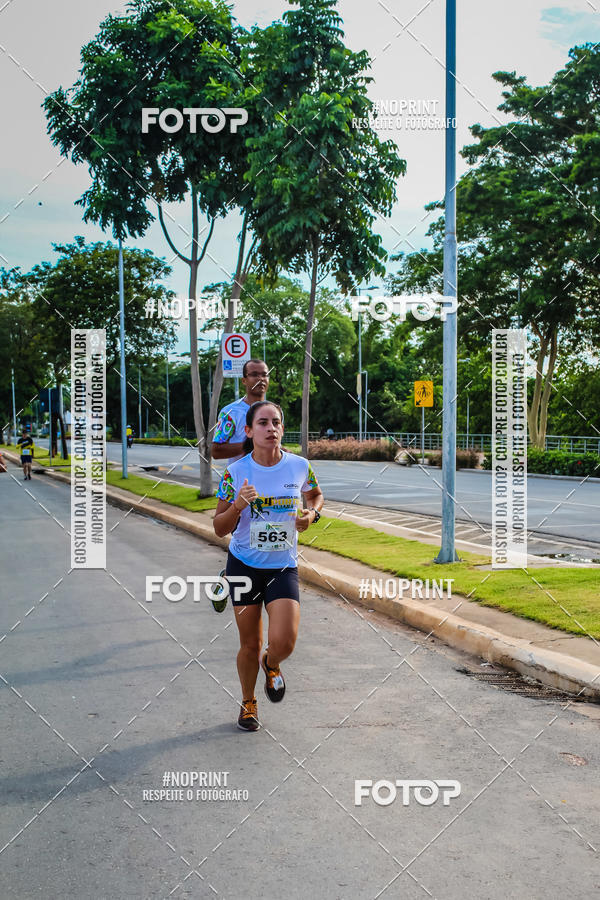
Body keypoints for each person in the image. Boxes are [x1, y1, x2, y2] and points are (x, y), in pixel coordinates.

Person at [213, 400, 324, 732]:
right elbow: (219, 527)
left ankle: (271, 663)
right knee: (249, 643)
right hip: (244, 564)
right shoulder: (235, 473)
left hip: (282, 566)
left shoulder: (300, 466)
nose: (271, 428)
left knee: (285, 641)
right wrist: (237, 506)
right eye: (262, 423)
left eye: (276, 422)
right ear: (248, 431)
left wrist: (312, 515)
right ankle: (249, 702)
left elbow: (316, 495)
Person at [211, 360, 269, 462]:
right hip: (242, 477)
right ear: (244, 381)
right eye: (254, 374)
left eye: (264, 375)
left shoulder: (275, 411)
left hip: (270, 476)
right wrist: (253, 445)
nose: (261, 379)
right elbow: (216, 451)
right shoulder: (230, 412)